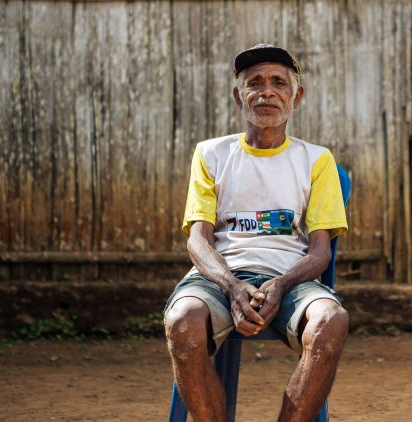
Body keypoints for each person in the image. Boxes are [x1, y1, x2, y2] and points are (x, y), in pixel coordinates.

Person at [163, 43, 349, 422]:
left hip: (291, 280)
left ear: (296, 96)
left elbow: (319, 252)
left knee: (331, 321)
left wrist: (279, 286)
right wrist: (232, 287)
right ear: (239, 95)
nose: (267, 92)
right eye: (255, 83)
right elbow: (198, 240)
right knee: (182, 321)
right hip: (219, 278)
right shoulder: (211, 154)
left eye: (279, 82)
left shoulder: (316, 159)